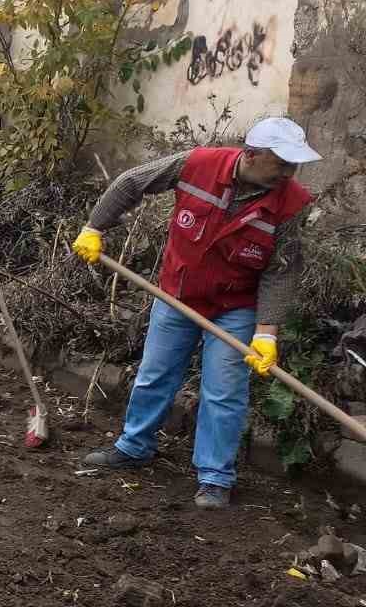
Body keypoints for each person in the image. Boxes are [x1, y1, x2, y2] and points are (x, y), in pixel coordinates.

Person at [72, 117, 318, 510]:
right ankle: (134, 447)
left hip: (235, 306)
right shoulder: (199, 164)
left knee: (224, 392)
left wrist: (266, 332)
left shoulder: (288, 203)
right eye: (282, 163)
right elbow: (130, 182)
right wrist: (94, 227)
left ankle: (215, 478)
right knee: (154, 376)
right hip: (177, 294)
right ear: (251, 155)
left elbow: (282, 270)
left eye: (294, 165)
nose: (289, 173)